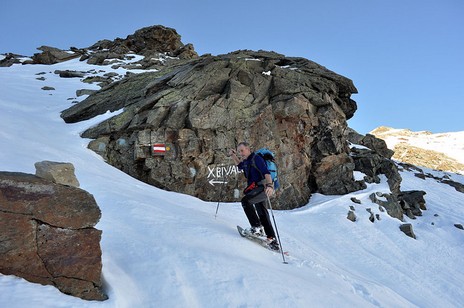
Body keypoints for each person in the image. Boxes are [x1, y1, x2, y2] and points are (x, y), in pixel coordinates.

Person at [229, 142, 279, 250]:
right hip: (255, 189)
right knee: (262, 213)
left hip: (263, 187)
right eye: (239, 151)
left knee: (246, 201)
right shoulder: (246, 161)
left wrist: (270, 185)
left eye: (242, 151)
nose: (240, 153)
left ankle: (257, 227)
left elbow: (266, 173)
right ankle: (272, 239)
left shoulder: (256, 158)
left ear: (248, 149)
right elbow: (239, 166)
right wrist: (233, 155)